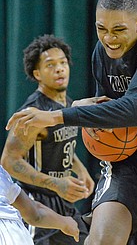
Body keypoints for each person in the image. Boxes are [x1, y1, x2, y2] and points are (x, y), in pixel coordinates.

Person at [5, 0, 137, 244]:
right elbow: (106, 115)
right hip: (128, 164)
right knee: (102, 240)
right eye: (102, 29)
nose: (109, 39)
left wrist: (55, 117)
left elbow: (136, 110)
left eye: (119, 30)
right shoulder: (103, 52)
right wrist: (93, 118)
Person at [1, 34, 95, 244]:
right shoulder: (33, 112)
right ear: (37, 74)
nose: (60, 69)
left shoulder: (66, 104)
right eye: (50, 65)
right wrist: (55, 183)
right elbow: (9, 161)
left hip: (61, 199)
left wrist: (79, 169)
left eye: (63, 63)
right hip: (35, 201)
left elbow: (59, 142)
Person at [0, 164, 79, 245]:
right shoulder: (1, 174)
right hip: (17, 234)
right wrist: (65, 223)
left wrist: (65, 223)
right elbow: (35, 213)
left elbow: (35, 213)